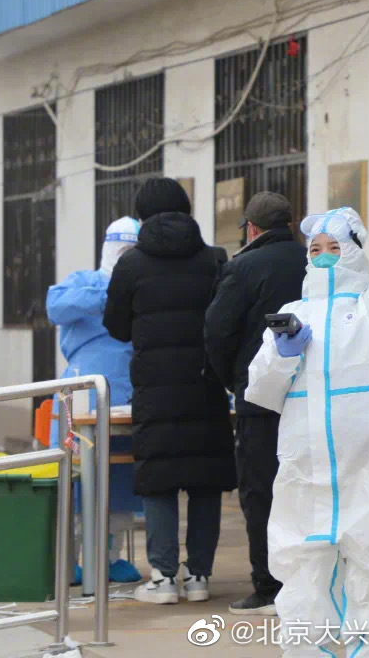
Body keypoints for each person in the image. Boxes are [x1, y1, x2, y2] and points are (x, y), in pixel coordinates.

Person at [244, 175, 369, 658]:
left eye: (335, 247)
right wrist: (284, 354)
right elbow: (260, 389)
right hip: (308, 470)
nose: (324, 256)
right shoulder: (293, 313)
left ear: (354, 251)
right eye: (316, 249)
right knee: (303, 569)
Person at [103, 177, 237, 605]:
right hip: (206, 385)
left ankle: (162, 579)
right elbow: (227, 321)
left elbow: (115, 326)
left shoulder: (131, 264)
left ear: (142, 215)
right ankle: (198, 577)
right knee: (205, 480)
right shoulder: (215, 260)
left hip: (155, 388)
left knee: (158, 478)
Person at [204, 192, 307, 616]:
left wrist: (235, 381)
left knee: (261, 492)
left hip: (259, 400)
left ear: (251, 228)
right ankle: (309, 584)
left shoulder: (242, 267)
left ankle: (268, 585)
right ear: (290, 224)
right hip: (311, 396)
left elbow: (216, 331)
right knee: (308, 489)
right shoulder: (313, 261)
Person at [45, 215, 144, 585]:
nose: (125, 257)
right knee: (74, 475)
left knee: (119, 480)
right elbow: (56, 307)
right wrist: (106, 293)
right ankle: (69, 557)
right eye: (122, 250)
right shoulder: (84, 283)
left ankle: (108, 557)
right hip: (79, 395)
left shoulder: (143, 286)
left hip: (127, 393)